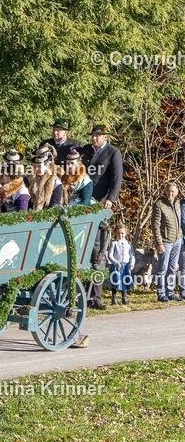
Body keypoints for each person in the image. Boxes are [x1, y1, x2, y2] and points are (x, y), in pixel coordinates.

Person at [82, 124, 123, 308]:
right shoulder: (85, 151)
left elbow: (116, 177)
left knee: (98, 250)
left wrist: (111, 199)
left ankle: (95, 296)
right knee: (83, 246)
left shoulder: (113, 152)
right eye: (93, 135)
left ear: (105, 137)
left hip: (101, 202)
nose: (95, 138)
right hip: (83, 202)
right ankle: (81, 293)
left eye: (98, 136)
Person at [152, 182, 182, 303]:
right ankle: (161, 293)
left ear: (176, 193)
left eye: (173, 191)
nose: (170, 193)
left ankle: (170, 292)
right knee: (162, 268)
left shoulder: (178, 203)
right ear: (165, 191)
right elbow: (155, 225)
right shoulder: (159, 204)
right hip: (165, 241)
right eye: (168, 191)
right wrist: (159, 243)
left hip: (177, 240)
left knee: (172, 268)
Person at [106, 224, 135, 305]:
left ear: (125, 233)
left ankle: (124, 297)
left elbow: (132, 255)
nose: (120, 235)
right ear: (115, 233)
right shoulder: (114, 243)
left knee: (124, 281)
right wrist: (115, 262)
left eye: (122, 233)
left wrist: (132, 264)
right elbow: (110, 255)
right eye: (118, 233)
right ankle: (114, 298)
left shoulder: (128, 244)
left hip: (125, 266)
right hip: (116, 266)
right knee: (115, 281)